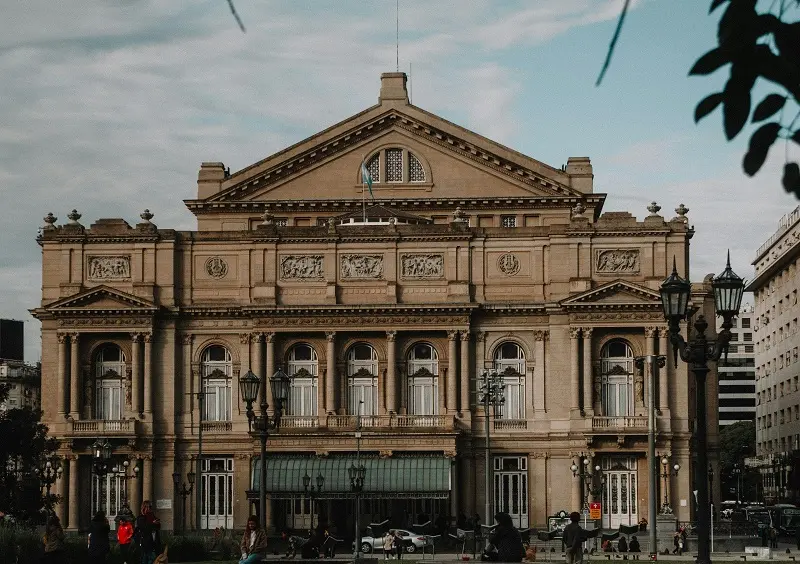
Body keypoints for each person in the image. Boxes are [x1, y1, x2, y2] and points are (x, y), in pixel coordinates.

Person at [135, 500, 162, 564]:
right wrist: (153, 523)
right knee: (147, 559)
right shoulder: (140, 518)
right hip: (145, 544)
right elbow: (144, 527)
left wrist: (156, 523)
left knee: (152, 559)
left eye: (150, 507)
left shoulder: (152, 516)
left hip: (154, 543)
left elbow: (158, 527)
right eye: (148, 507)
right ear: (144, 507)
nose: (149, 509)